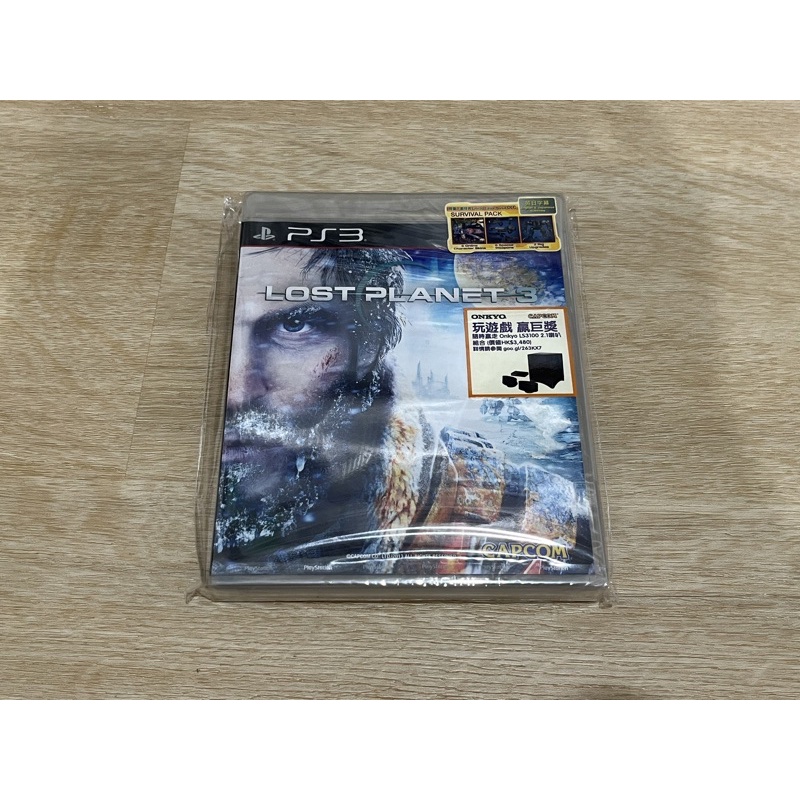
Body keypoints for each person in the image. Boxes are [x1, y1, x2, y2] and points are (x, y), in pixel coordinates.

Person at [212, 246, 588, 576]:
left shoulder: (535, 518)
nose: (236, 392)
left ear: (368, 346)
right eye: (227, 331)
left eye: (295, 325)